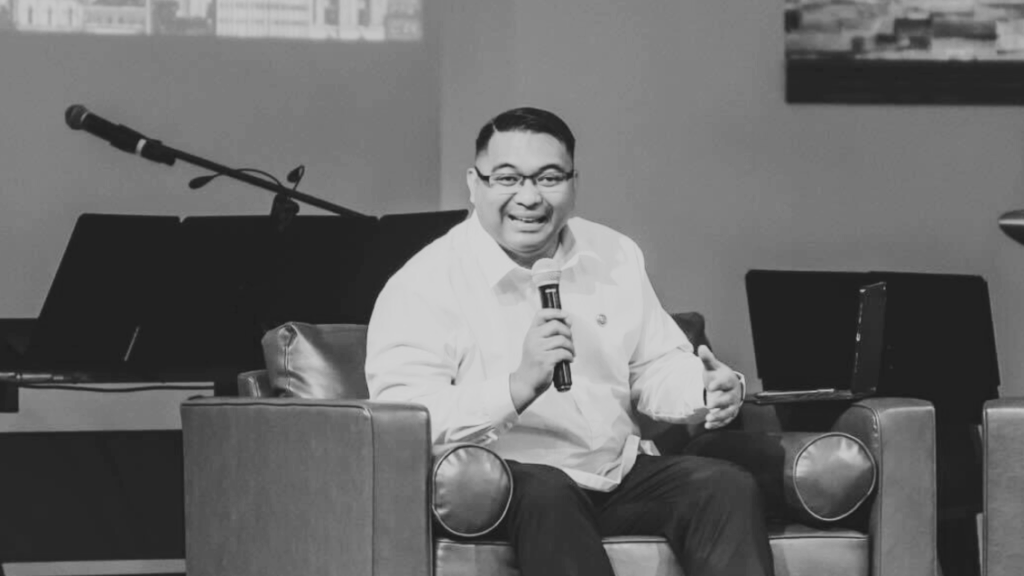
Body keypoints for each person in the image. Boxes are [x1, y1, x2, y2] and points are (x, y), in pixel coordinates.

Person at [366, 107, 774, 576]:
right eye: (507, 179)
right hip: (506, 481)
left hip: (612, 472)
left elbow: (654, 366)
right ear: (474, 185)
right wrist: (516, 388)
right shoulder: (425, 282)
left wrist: (703, 388)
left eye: (549, 178)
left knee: (723, 487)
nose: (529, 197)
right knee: (549, 493)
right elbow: (403, 422)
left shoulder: (613, 253)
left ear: (573, 183)